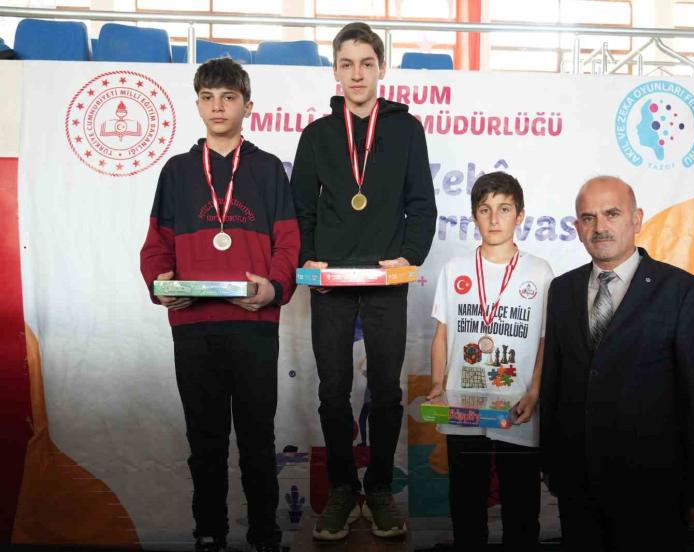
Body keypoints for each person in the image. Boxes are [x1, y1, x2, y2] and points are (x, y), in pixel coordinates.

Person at [139, 57, 300, 552]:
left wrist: (274, 288)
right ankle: (209, 532)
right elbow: (156, 247)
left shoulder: (268, 169)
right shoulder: (177, 171)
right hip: (193, 327)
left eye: (229, 97)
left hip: (254, 326)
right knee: (204, 440)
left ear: (247, 106)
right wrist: (161, 284)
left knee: (257, 440)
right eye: (208, 97)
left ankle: (265, 534)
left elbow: (288, 244)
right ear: (197, 104)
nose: (218, 106)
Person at [290, 22, 437, 540]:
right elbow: (300, 209)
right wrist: (309, 261)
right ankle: (341, 489)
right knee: (333, 391)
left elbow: (422, 206)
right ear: (335, 70)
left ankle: (378, 488)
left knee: (386, 392)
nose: (357, 74)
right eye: (347, 64)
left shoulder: (406, 129)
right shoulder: (316, 135)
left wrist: (408, 258)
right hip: (330, 283)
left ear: (381, 68)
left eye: (366, 64)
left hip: (386, 281)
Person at [539, 175, 694, 551]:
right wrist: (552, 465)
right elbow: (553, 383)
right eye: (588, 217)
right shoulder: (561, 290)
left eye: (612, 214)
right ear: (577, 228)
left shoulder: (681, 291)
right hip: (578, 486)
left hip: (654, 488)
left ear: (636, 219)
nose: (600, 226)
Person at [428, 171, 553, 551]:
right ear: (474, 216)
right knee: (466, 499)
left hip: (518, 404)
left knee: (521, 501)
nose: (494, 219)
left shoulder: (540, 272)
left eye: (504, 209)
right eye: (485, 210)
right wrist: (436, 385)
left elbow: (545, 340)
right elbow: (442, 334)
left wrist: (535, 391)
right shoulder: (455, 269)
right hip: (463, 402)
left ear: (520, 215)